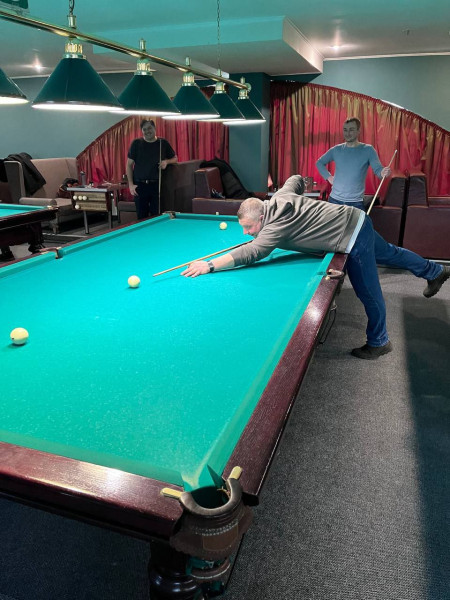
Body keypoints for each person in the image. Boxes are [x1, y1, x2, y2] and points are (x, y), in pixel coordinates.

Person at [181, 176, 449, 360]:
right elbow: (295, 179)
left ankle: (379, 342)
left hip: (351, 237)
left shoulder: (273, 227)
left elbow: (252, 252)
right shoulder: (279, 196)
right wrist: (300, 188)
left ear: (262, 217)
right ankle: (434, 271)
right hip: (357, 219)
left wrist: (209, 265)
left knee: (368, 290)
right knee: (390, 252)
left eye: (249, 227)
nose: (246, 232)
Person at [316, 117, 391, 211]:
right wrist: (329, 177)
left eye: (351, 130)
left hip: (356, 203)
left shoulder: (368, 150)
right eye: (345, 130)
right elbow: (319, 163)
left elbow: (378, 170)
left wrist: (383, 172)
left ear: (358, 131)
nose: (347, 133)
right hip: (334, 200)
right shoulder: (336, 150)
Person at [126, 119, 178, 219]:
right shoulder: (136, 144)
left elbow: (175, 158)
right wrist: (131, 185)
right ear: (142, 131)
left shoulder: (162, 143)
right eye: (144, 129)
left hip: (156, 186)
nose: (147, 131)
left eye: (149, 128)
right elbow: (129, 165)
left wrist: (166, 162)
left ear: (155, 128)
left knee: (156, 216)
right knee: (141, 217)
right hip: (140, 186)